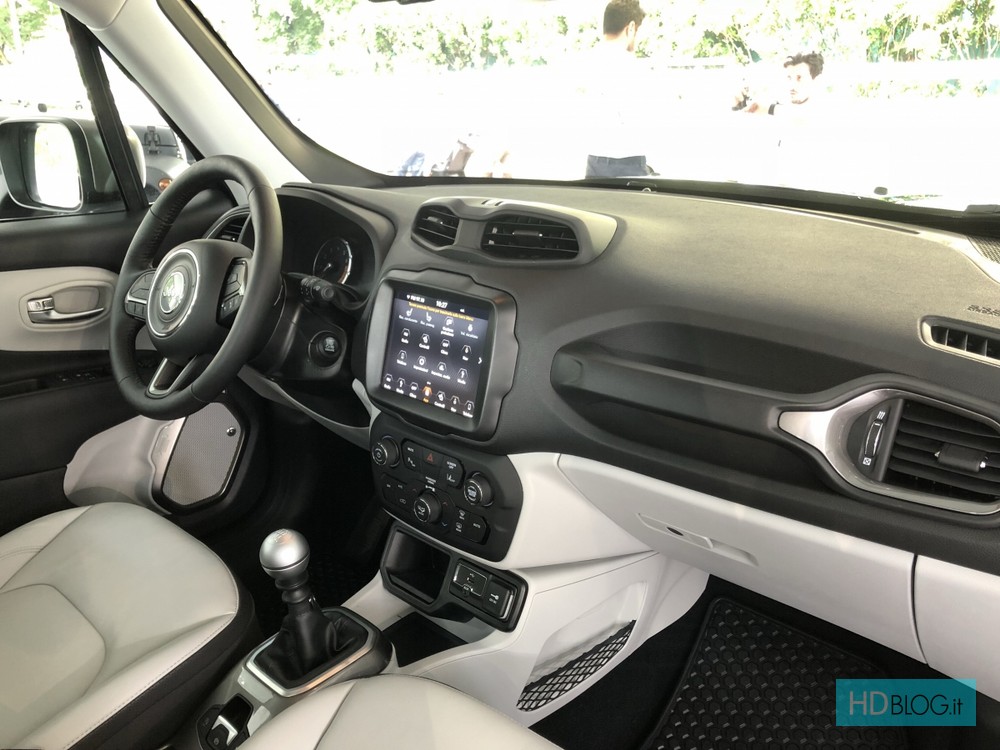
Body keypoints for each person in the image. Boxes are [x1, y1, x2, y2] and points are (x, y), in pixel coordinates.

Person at [584, 0, 650, 178]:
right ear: (631, 27)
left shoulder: (587, 61)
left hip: (594, 162)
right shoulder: (632, 66)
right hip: (628, 163)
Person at [744, 52, 824, 116]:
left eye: (799, 78)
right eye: (789, 78)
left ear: (815, 80)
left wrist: (766, 108)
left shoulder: (819, 112)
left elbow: (799, 117)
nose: (792, 85)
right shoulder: (783, 108)